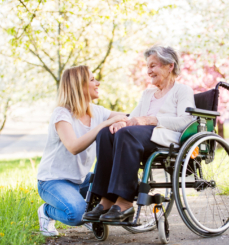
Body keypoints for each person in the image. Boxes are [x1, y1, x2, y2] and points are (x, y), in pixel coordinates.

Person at [83, 46, 195, 222]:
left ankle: (125, 201)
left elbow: (186, 122)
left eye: (153, 66)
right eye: (148, 67)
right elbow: (133, 118)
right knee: (106, 133)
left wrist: (151, 119)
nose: (148, 71)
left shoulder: (182, 91)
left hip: (165, 137)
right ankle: (107, 198)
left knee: (127, 134)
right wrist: (121, 122)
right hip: (142, 135)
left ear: (170, 66)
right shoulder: (148, 94)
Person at [37, 65, 127, 236]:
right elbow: (74, 147)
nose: (98, 83)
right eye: (92, 80)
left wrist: (120, 121)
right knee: (76, 215)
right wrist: (104, 125)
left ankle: (87, 210)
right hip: (53, 181)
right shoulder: (62, 114)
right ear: (79, 86)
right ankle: (47, 211)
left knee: (114, 192)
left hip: (81, 179)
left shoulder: (97, 111)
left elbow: (127, 116)